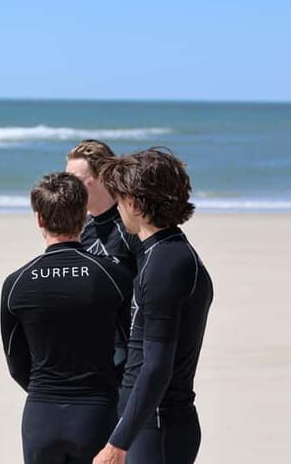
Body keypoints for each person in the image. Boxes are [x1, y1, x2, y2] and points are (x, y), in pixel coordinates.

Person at [1, 172, 132, 464]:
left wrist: (48, 390)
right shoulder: (112, 276)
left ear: (39, 219)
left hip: (40, 416)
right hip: (96, 412)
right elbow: (133, 349)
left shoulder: (16, 283)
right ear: (83, 214)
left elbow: (16, 363)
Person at [93, 149, 213, 464]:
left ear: (133, 202)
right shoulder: (160, 253)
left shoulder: (167, 264)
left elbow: (157, 364)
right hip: (148, 424)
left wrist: (117, 444)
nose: (117, 209)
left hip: (158, 427)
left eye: (118, 200)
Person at [66, 139, 143, 379]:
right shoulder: (81, 228)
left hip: (130, 350)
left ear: (102, 177)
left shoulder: (131, 227)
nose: (67, 187)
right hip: (92, 349)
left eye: (74, 180)